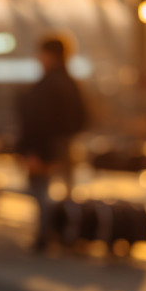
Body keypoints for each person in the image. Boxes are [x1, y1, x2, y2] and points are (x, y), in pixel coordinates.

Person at [16, 34, 88, 251]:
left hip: (44, 150)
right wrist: (66, 139)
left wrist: (32, 152)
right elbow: (83, 117)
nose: (38, 58)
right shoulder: (72, 84)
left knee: (42, 194)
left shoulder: (46, 85)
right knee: (67, 193)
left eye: (41, 53)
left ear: (50, 55)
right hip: (66, 148)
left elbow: (36, 121)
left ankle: (44, 236)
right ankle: (68, 234)